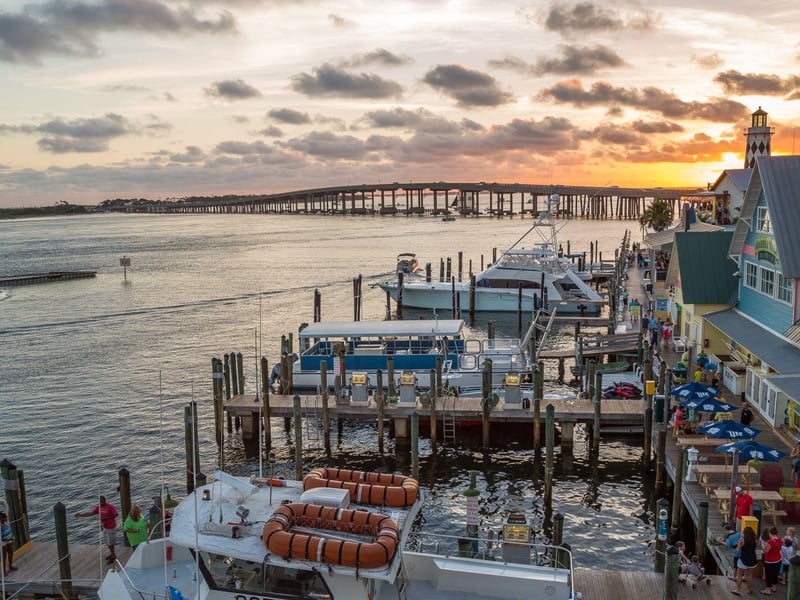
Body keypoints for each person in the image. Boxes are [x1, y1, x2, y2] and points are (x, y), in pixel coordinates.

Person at [75, 495, 119, 564]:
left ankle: (113, 555)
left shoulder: (110, 507)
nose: (101, 503)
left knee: (110, 542)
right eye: (100, 501)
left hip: (111, 527)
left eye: (102, 501)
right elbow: (91, 513)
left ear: (105, 501)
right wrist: (81, 515)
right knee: (107, 542)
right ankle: (112, 553)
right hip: (104, 526)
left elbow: (116, 514)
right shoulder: (99, 507)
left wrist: (106, 518)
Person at [732, 526, 758, 595]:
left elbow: (738, 550)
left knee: (739, 574)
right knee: (749, 575)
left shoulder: (742, 540)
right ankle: (749, 590)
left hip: (743, 559)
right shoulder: (755, 539)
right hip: (752, 559)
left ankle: (738, 590)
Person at [761, 526, 782, 595]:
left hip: (770, 561)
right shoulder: (779, 539)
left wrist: (763, 546)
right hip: (778, 560)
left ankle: (768, 590)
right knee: (775, 574)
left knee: (769, 575)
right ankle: (774, 587)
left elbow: (766, 551)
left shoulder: (770, 542)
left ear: (770, 533)